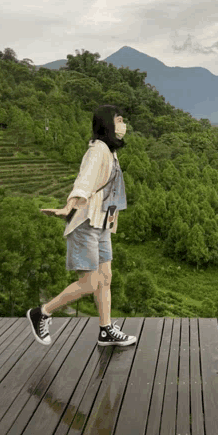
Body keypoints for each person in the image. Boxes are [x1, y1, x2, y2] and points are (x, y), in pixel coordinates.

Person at [27, 104, 136, 347]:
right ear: (108, 124)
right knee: (90, 282)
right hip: (86, 223)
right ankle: (42, 312)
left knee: (105, 277)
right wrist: (69, 206)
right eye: (119, 120)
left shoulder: (110, 151)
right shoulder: (97, 151)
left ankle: (106, 329)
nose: (123, 125)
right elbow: (84, 181)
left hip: (101, 223)